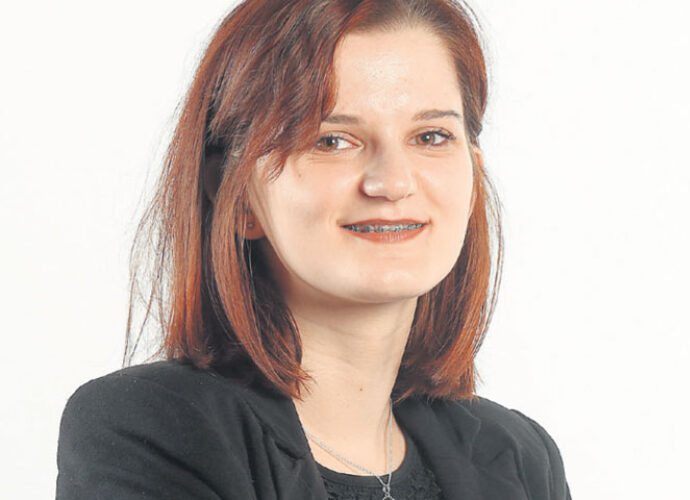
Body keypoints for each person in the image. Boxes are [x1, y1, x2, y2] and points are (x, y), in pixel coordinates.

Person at [56, 0, 571, 498]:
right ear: (236, 193)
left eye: (431, 137)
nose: (393, 182)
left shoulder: (521, 458)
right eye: (331, 141)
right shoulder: (155, 428)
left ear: (473, 173)